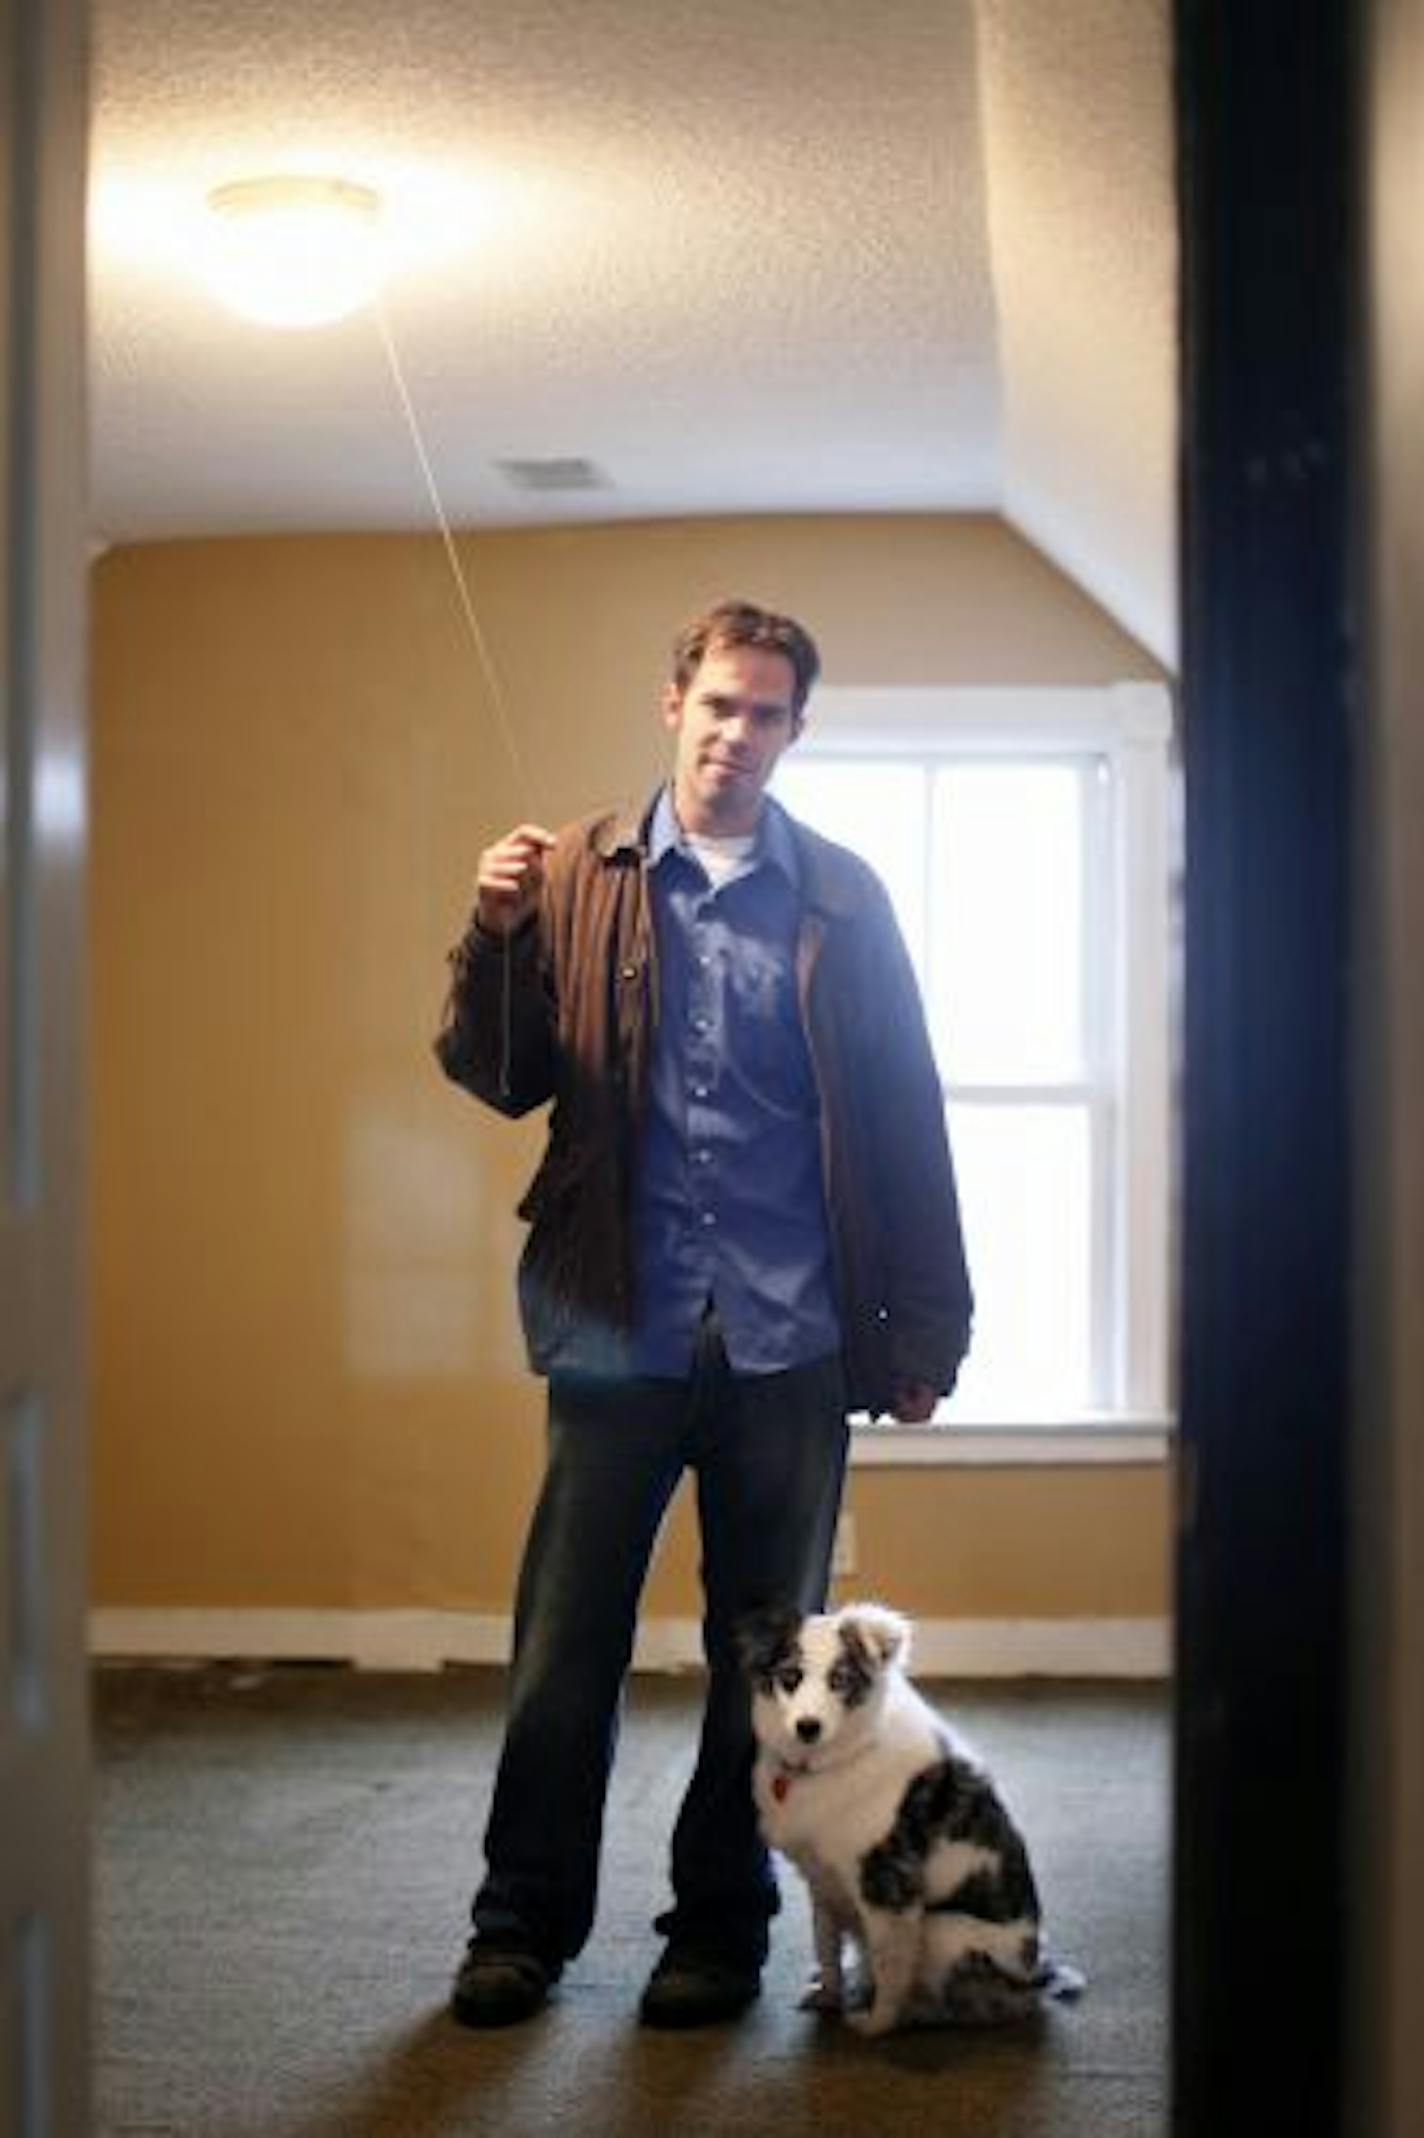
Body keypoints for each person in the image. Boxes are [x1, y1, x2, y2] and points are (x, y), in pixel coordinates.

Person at [434, 597, 972, 2029]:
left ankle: (719, 1934)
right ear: (672, 702)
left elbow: (907, 1120)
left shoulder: (845, 900)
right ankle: (519, 1926)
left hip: (792, 1346)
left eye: (769, 713)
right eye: (719, 704)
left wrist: (927, 1333)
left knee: (775, 1676)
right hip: (616, 1331)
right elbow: (496, 1074)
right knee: (566, 1648)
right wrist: (492, 936)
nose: (739, 733)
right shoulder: (574, 875)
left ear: (798, 729)